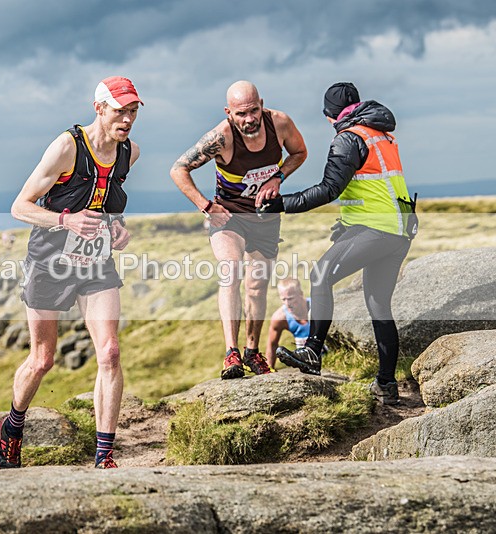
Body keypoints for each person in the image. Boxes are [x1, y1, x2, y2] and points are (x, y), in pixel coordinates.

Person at [0, 76, 141, 470]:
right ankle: (12, 425)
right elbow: (20, 207)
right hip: (49, 262)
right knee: (43, 360)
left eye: (132, 111)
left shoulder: (130, 152)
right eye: (119, 111)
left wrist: (117, 226)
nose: (126, 119)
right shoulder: (67, 147)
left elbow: (109, 203)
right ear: (99, 108)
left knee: (110, 351)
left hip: (96, 265)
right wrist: (66, 220)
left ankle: (104, 455)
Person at [258, 82, 416, 405]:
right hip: (399, 230)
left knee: (320, 275)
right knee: (378, 305)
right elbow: (374, 188)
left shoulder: (347, 139)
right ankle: (386, 384)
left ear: (329, 116)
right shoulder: (382, 134)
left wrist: (281, 204)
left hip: (377, 229)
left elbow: (328, 189)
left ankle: (313, 352)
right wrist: (346, 224)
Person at [170, 81, 307, 379]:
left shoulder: (279, 123)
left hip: (266, 217)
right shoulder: (221, 137)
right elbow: (178, 169)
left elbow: (299, 152)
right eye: (241, 113)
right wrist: (206, 206)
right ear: (229, 112)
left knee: (257, 285)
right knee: (230, 271)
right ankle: (231, 353)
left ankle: (252, 352)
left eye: (254, 111)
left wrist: (277, 178)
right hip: (228, 216)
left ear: (262, 104)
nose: (249, 119)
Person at [264, 279, 328, 369]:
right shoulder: (280, 318)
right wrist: (269, 370)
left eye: (290, 298)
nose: (287, 303)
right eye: (283, 299)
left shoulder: (317, 306)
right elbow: (272, 345)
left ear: (301, 294)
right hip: (308, 362)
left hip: (331, 356)